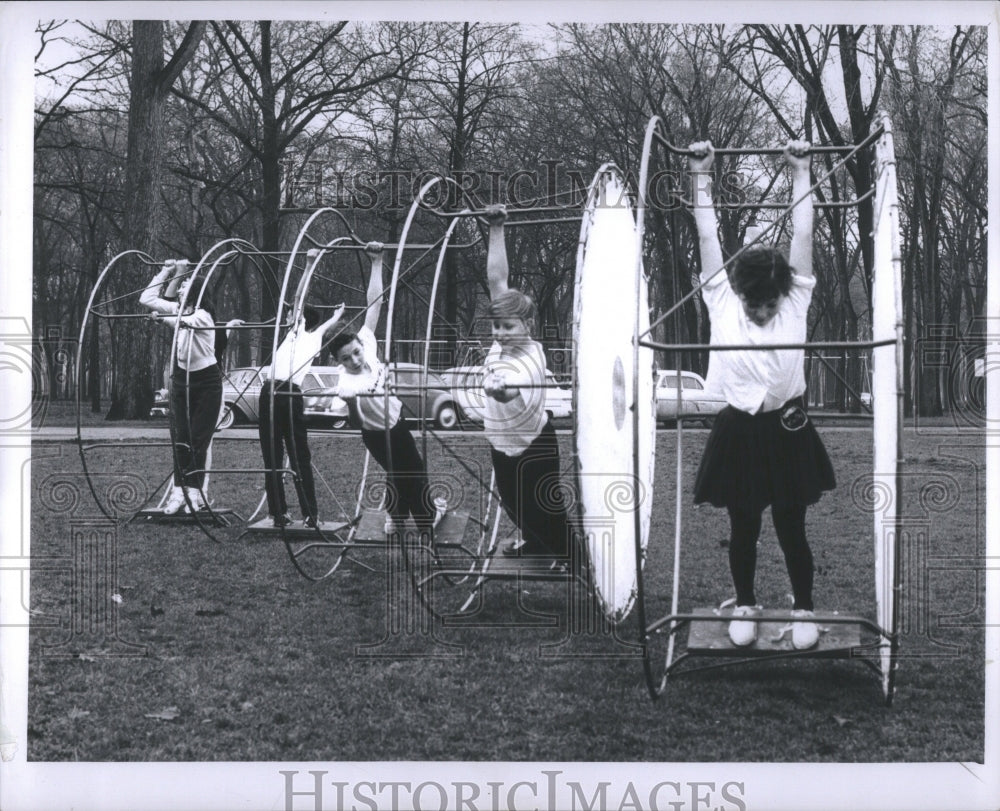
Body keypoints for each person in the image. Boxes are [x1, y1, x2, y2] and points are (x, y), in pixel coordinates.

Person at [688, 139, 836, 650]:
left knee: (791, 524)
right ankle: (745, 603)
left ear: (784, 294)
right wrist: (701, 177)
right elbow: (706, 235)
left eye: (768, 304)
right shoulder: (722, 300)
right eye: (754, 305)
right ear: (739, 292)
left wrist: (801, 172)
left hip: (787, 425)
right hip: (740, 427)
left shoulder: (795, 298)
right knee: (744, 521)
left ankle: (803, 609)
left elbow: (803, 230)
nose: (761, 312)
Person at [329, 242, 443, 536]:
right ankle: (427, 520)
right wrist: (351, 402)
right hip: (377, 434)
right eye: (346, 358)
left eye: (355, 353)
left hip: (397, 421)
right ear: (337, 361)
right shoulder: (346, 382)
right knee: (412, 473)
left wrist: (377, 262)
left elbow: (375, 302)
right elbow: (355, 422)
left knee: (400, 473)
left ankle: (395, 518)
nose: (355, 360)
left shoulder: (365, 343)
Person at [480, 205, 571, 562]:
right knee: (516, 508)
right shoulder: (500, 344)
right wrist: (497, 228)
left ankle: (571, 559)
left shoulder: (531, 359)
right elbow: (496, 280)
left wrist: (498, 389)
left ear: (527, 326)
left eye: (509, 327)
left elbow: (512, 387)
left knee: (547, 510)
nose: (501, 334)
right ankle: (535, 543)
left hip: (534, 446)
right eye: (497, 327)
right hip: (502, 444)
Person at [259, 276, 345, 528]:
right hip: (269, 394)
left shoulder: (302, 332)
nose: (286, 317)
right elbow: (328, 321)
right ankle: (278, 513)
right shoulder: (296, 335)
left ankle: (310, 514)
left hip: (288, 394)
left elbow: (299, 300)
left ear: (300, 318)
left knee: (298, 456)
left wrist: (307, 267)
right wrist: (337, 314)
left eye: (290, 314)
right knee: (271, 456)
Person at [140, 260, 224, 514]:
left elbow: (186, 321)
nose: (180, 288)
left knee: (199, 439)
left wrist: (165, 319)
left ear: (196, 292)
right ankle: (178, 493)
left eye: (185, 284)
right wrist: (168, 272)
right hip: (181, 380)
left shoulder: (203, 315)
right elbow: (147, 298)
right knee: (181, 439)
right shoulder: (181, 309)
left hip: (207, 382)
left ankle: (195, 494)